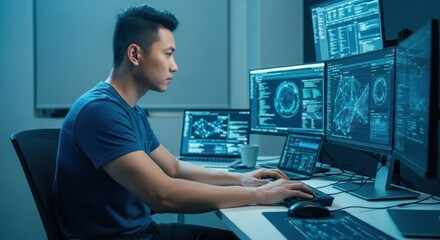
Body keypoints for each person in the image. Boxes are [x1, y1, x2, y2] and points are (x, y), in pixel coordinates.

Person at [53, 3, 315, 239]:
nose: (174, 65)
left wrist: (241, 179)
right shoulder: (100, 111)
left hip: (141, 232)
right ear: (135, 55)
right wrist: (259, 195)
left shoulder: (129, 110)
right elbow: (163, 194)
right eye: (167, 54)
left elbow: (174, 168)